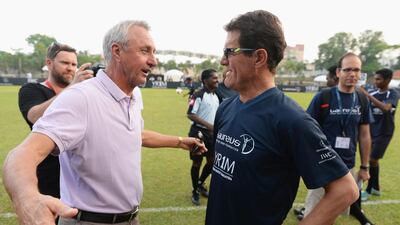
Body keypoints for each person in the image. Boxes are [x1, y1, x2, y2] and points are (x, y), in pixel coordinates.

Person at [3, 20, 206, 225]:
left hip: (131, 219)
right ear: (117, 51)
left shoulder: (134, 94)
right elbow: (20, 156)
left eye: (154, 52)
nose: (154, 61)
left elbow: (133, 133)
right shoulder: (80, 97)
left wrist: (180, 141)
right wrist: (27, 199)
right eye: (145, 51)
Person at [205, 10, 358, 225]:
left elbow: (345, 190)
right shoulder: (226, 108)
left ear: (259, 57)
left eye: (229, 51)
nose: (222, 60)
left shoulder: (291, 120)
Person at [304, 52, 374, 225]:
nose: (352, 74)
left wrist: (364, 166)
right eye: (348, 69)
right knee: (314, 213)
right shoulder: (323, 97)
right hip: (323, 165)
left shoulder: (362, 100)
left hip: (347, 168)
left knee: (333, 214)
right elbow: (307, 129)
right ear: (338, 72)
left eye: (356, 70)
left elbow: (365, 135)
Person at [18, 42, 93, 202]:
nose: (71, 68)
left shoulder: (80, 93)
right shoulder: (32, 90)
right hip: (49, 175)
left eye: (74, 64)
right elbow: (34, 116)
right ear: (49, 63)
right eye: (65, 63)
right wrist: (72, 88)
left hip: (81, 173)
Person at [359, 68, 398, 198]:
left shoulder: (393, 93)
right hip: (371, 131)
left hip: (384, 132)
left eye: (378, 79)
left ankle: (369, 190)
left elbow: (386, 108)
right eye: (375, 78)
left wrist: (368, 96)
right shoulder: (373, 92)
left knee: (372, 159)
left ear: (388, 80)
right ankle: (376, 188)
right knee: (374, 161)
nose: (375, 81)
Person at [187, 69, 220, 205]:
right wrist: (209, 125)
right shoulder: (198, 95)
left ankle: (200, 183)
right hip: (198, 133)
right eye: (214, 78)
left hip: (212, 135)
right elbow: (190, 114)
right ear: (205, 80)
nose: (217, 80)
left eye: (217, 78)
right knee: (197, 163)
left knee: (212, 162)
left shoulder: (216, 96)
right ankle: (195, 190)